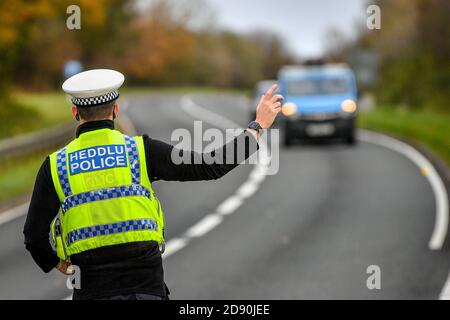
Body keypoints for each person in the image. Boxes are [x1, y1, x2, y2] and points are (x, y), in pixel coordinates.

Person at [23, 69, 283, 300]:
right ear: (116, 109)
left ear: (74, 112)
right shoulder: (141, 151)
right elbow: (210, 166)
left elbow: (34, 237)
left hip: (91, 290)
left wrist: (57, 263)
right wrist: (257, 127)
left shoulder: (56, 166)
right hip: (146, 288)